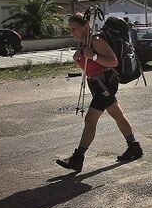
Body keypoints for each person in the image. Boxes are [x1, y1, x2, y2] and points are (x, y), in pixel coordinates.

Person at [57, 12, 143, 172]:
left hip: (106, 84)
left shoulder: (96, 40)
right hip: (96, 84)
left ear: (86, 26)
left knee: (90, 119)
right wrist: (79, 60)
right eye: (70, 29)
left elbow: (113, 61)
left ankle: (78, 158)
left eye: (74, 28)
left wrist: (94, 56)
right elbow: (88, 68)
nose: (72, 32)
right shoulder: (84, 43)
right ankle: (134, 146)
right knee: (117, 115)